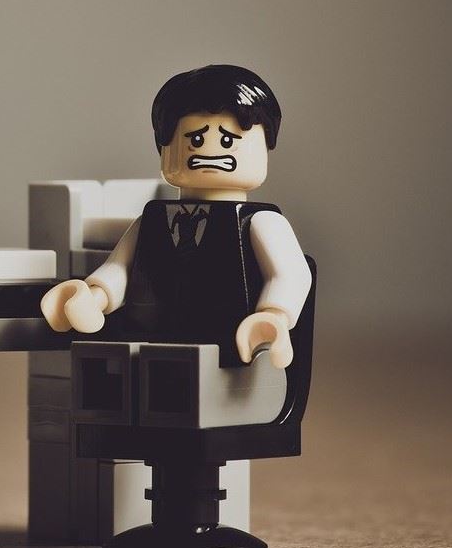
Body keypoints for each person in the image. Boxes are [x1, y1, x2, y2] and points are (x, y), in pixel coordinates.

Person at [41, 64, 312, 370]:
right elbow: (121, 268)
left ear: (265, 147)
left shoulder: (262, 223)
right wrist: (97, 297)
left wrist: (273, 316)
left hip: (231, 353)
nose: (209, 151)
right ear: (164, 147)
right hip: (152, 345)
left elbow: (291, 274)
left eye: (227, 140)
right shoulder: (153, 219)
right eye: (194, 140)